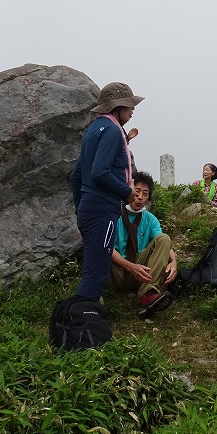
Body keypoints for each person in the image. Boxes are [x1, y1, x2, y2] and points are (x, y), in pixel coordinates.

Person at [69, 81, 143, 301]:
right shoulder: (112, 131)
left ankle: (83, 313)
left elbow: (76, 175)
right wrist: (126, 191)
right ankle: (82, 316)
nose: (132, 109)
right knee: (97, 272)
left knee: (94, 269)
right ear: (117, 107)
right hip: (102, 208)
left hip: (89, 207)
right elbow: (100, 171)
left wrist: (80, 209)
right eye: (129, 105)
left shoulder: (93, 130)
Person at [109, 171, 178, 318]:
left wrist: (173, 261)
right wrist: (129, 266)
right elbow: (106, 247)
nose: (140, 197)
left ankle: (147, 293)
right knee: (100, 247)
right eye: (137, 191)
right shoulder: (113, 214)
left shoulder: (150, 219)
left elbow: (163, 242)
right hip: (117, 271)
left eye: (145, 193)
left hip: (141, 273)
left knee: (164, 238)